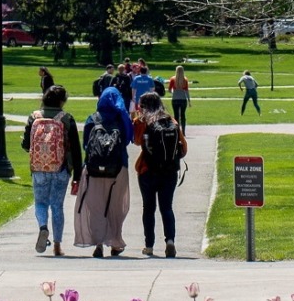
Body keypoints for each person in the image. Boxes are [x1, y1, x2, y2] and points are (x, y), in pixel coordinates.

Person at [22, 85, 81, 257]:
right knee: (57, 206)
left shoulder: (34, 117)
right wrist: (77, 175)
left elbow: (26, 145)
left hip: (39, 168)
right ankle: (57, 245)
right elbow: (76, 150)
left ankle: (43, 227)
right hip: (61, 168)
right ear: (62, 101)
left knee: (40, 203)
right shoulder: (67, 119)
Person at [74, 88, 132, 258]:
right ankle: (114, 242)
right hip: (118, 168)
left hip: (93, 169)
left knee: (96, 206)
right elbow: (128, 139)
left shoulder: (92, 118)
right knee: (115, 206)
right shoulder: (121, 119)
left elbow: (86, 144)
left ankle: (98, 242)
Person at [132, 92, 185, 259]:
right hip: (169, 171)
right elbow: (183, 149)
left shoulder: (142, 121)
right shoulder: (171, 121)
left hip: (147, 170)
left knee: (148, 208)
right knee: (167, 207)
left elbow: (137, 141)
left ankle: (149, 245)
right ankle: (170, 241)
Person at [168, 66, 191, 135]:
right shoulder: (185, 80)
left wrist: (173, 92)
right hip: (183, 99)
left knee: (176, 115)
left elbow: (169, 90)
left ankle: (177, 132)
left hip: (175, 99)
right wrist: (189, 100)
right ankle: (183, 132)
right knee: (183, 115)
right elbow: (186, 91)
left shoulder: (173, 79)